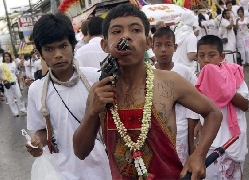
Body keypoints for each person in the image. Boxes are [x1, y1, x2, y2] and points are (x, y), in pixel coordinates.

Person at [73, 4, 222, 180]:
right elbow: (80, 152)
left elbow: (214, 112)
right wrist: (92, 112)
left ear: (148, 42)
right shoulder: (100, 92)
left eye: (135, 30)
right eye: (116, 31)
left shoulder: (169, 82)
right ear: (105, 45)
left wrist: (198, 154)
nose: (126, 36)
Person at [25, 13, 111, 180]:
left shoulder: (95, 79)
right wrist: (36, 143)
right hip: (63, 173)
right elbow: (43, 130)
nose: (58, 54)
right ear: (40, 52)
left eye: (63, 46)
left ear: (73, 45)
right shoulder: (36, 90)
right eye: (49, 49)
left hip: (103, 170)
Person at [191, 35, 248, 180]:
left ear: (221, 56)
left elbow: (245, 105)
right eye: (202, 56)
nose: (206, 60)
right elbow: (200, 107)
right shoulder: (197, 79)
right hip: (211, 141)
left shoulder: (234, 75)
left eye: (212, 55)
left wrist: (225, 88)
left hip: (233, 138)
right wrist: (198, 122)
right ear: (197, 57)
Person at [152, 27, 193, 165]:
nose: (163, 49)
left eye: (168, 45)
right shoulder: (146, 74)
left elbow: (195, 105)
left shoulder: (185, 72)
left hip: (181, 132)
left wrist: (192, 139)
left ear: (175, 47)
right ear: (152, 48)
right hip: (155, 133)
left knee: (179, 168)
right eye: (158, 45)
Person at [0, 52, 26, 116]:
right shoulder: (1, 65)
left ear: (10, 57)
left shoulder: (13, 64)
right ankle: (15, 112)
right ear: (3, 57)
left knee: (19, 96)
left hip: (14, 83)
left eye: (8, 56)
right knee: (10, 99)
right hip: (7, 85)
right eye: (5, 56)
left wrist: (21, 82)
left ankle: (22, 109)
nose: (7, 57)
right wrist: (4, 80)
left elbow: (17, 73)